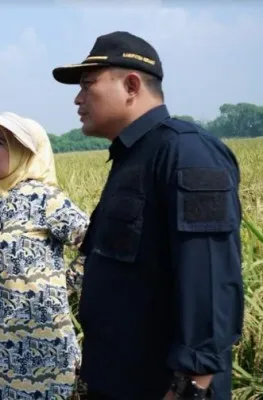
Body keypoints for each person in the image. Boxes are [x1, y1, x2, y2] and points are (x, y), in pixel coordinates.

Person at [51, 31, 244, 400]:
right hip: (119, 377)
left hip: (164, 387)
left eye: (87, 85)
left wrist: (191, 385)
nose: (77, 99)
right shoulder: (130, 156)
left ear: (132, 84)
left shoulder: (185, 152)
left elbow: (209, 277)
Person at [0, 112, 89, 399]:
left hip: (43, 342)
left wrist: (65, 286)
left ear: (23, 151)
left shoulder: (45, 199)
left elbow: (97, 245)